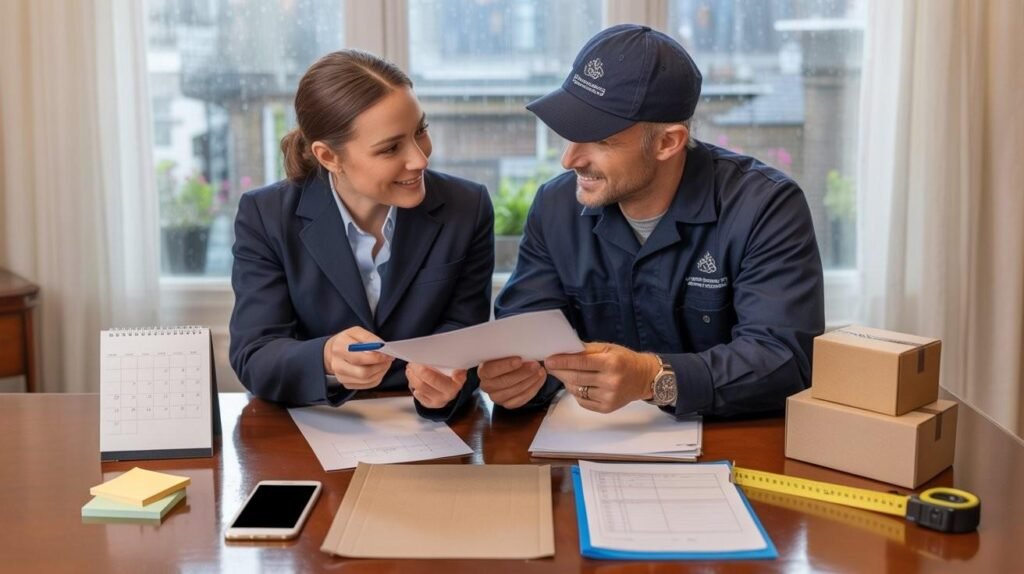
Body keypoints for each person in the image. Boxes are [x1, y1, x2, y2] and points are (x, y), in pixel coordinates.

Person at [479, 25, 824, 417]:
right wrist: (522, 379)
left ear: (667, 142)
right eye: (570, 133)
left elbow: (784, 359)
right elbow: (526, 333)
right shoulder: (555, 206)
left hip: (729, 448)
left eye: (600, 140)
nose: (569, 159)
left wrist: (652, 378)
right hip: (585, 446)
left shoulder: (765, 207)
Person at [229, 50, 494, 420]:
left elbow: (464, 333)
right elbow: (254, 355)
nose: (420, 159)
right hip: (316, 426)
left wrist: (445, 383)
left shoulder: (468, 207)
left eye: (421, 130)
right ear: (328, 156)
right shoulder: (267, 215)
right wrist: (325, 357)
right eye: (390, 148)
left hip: (428, 428)